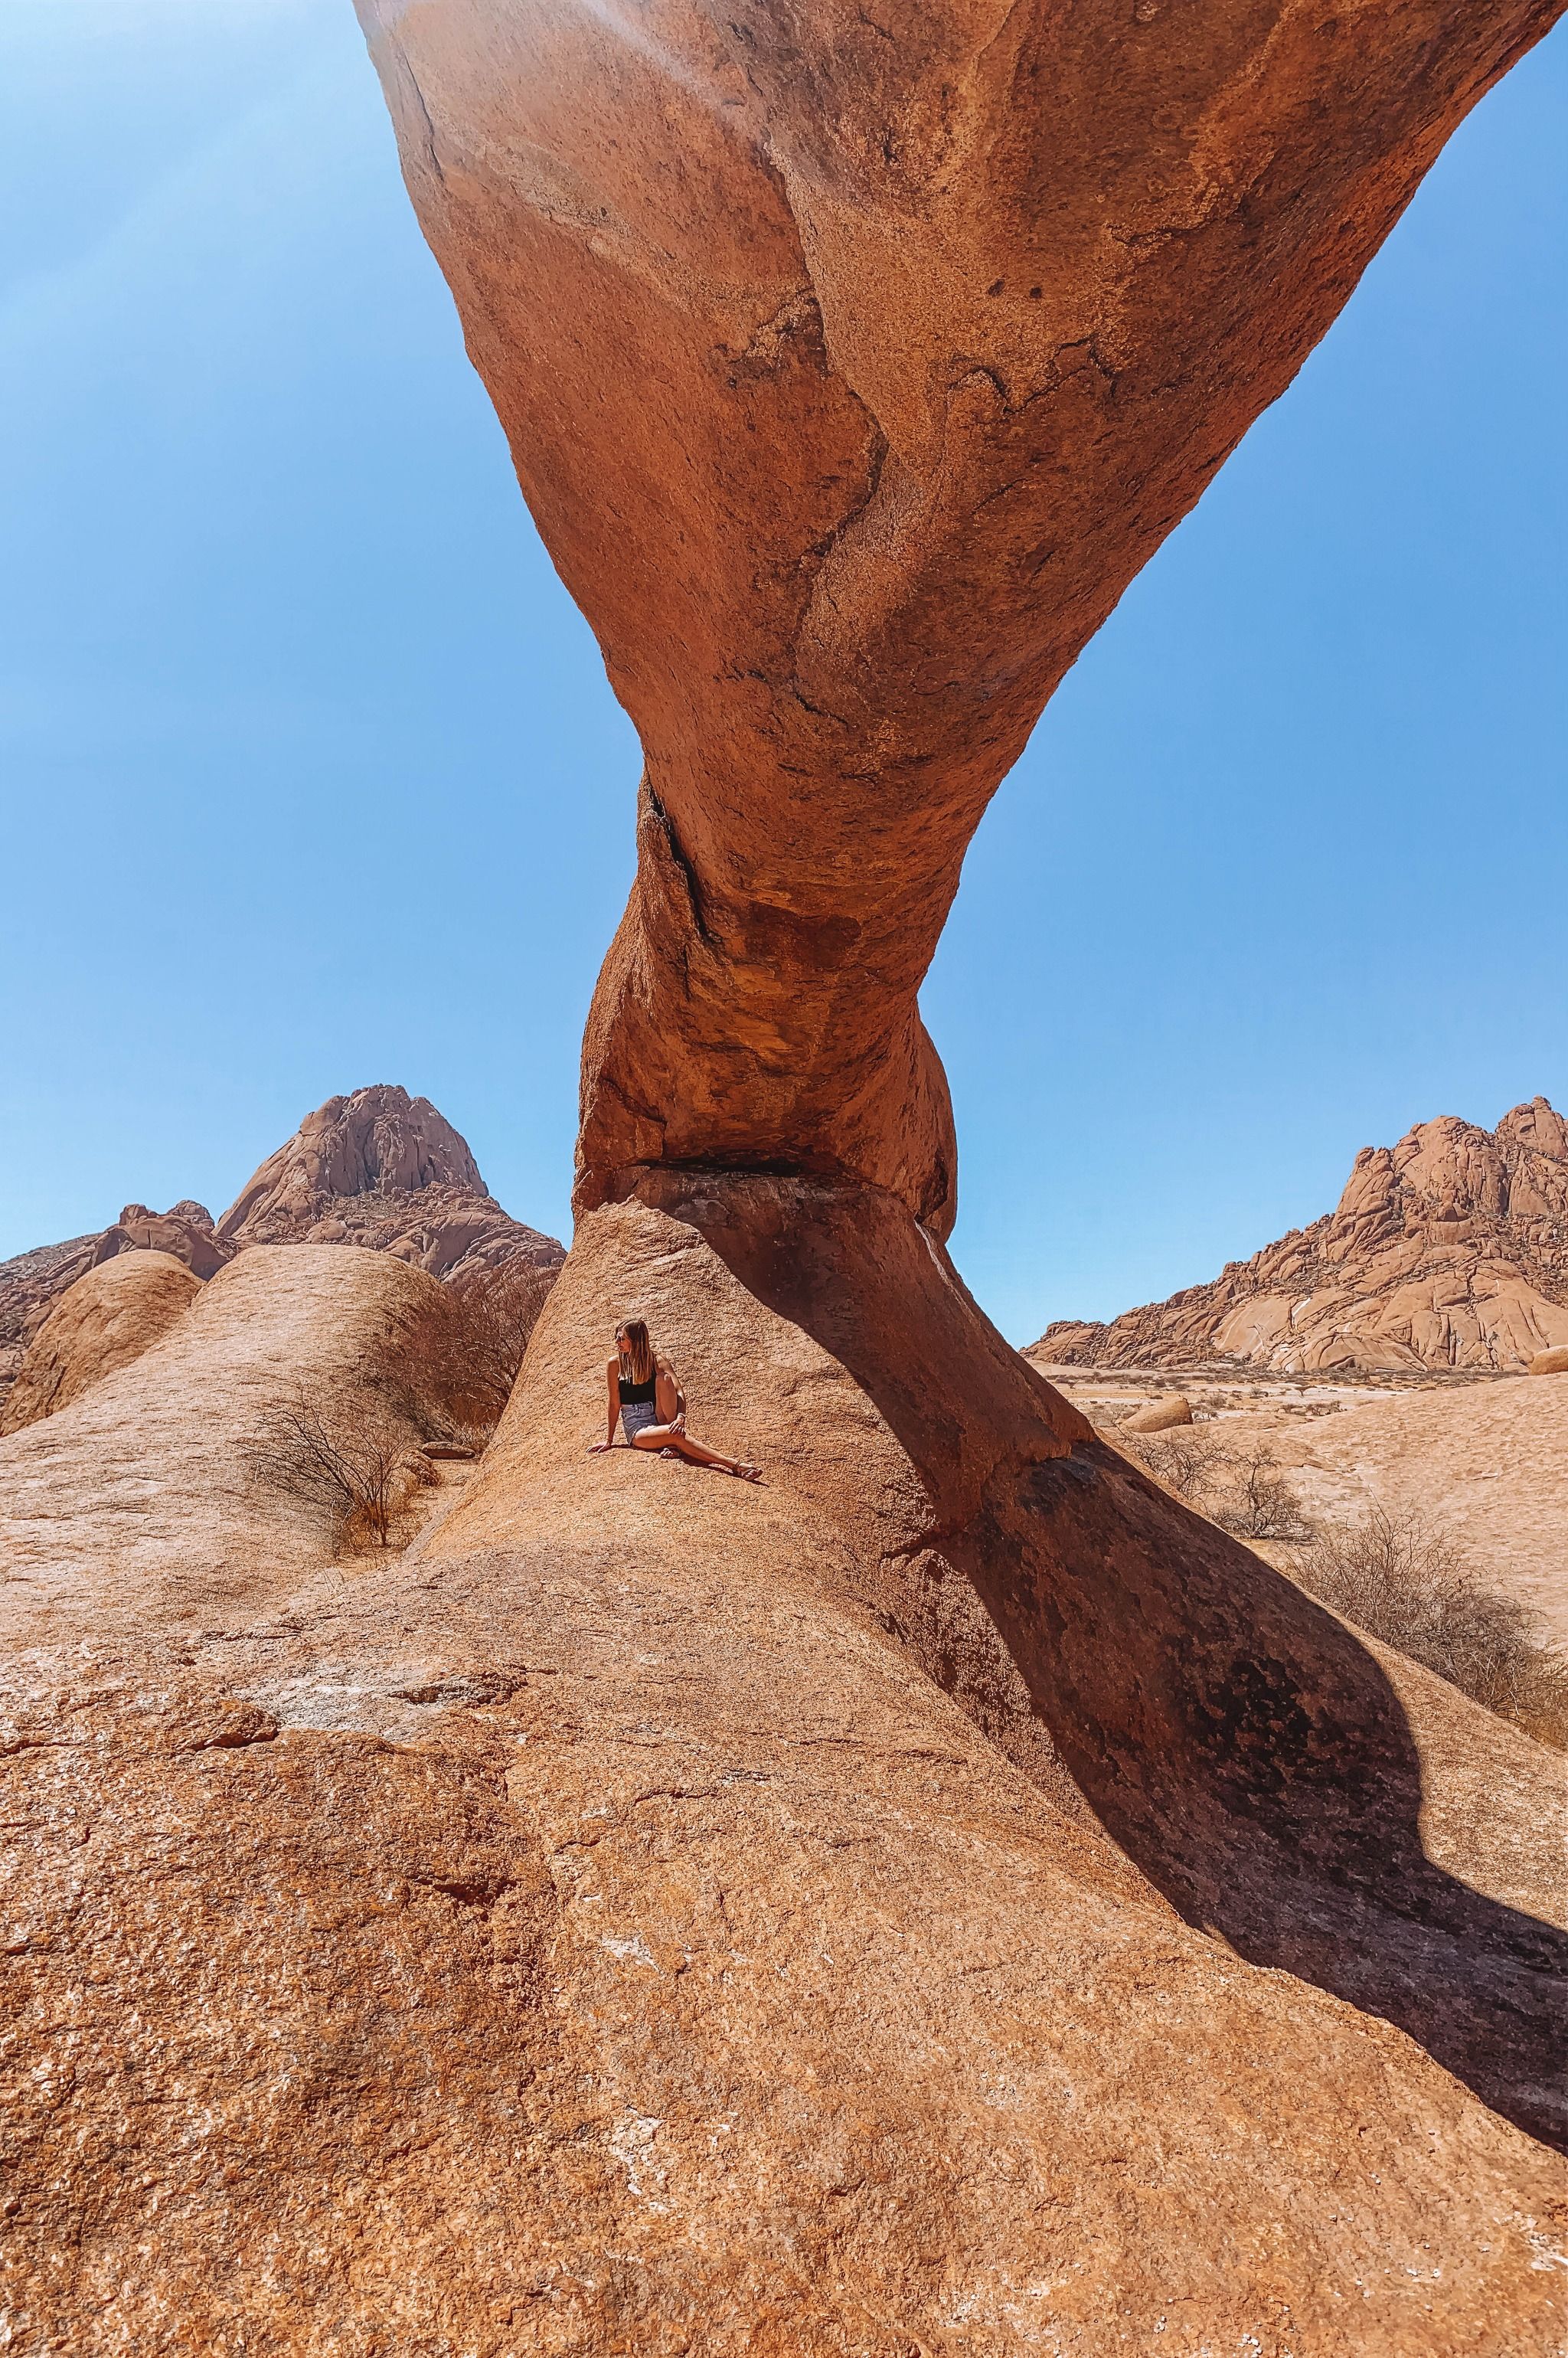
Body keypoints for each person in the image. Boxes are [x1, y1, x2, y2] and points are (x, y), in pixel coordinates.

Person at [588, 1318, 760, 1480]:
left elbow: (678, 1390)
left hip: (660, 1416)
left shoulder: (656, 1360)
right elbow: (614, 1403)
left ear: (636, 1340)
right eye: (616, 1338)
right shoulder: (615, 1364)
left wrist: (680, 1417)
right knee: (676, 1435)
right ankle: (734, 1465)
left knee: (664, 1380)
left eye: (621, 1339)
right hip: (638, 1426)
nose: (617, 1343)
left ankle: (672, 1444)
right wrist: (609, 1440)